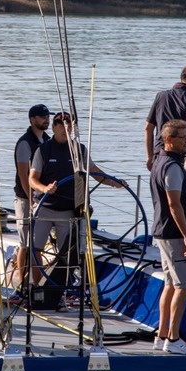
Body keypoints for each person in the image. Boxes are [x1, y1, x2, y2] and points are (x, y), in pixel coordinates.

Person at [27, 112, 125, 288]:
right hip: (45, 207)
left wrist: (114, 183)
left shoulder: (80, 150)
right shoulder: (43, 150)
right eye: (61, 124)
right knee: (35, 249)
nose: (66, 128)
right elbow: (32, 179)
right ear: (53, 127)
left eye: (70, 125)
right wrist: (45, 188)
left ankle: (60, 291)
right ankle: (37, 289)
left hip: (67, 211)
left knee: (67, 254)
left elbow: (96, 172)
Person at [149, 119, 186, 354]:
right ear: (169, 139)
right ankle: (173, 339)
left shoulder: (159, 162)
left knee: (170, 284)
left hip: (164, 233)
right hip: (174, 235)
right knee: (184, 285)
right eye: (183, 137)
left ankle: (161, 336)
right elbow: (174, 204)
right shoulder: (171, 167)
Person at [13, 104, 50, 288]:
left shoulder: (48, 141)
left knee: (37, 244)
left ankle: (38, 284)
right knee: (25, 243)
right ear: (32, 119)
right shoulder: (25, 143)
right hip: (25, 199)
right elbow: (23, 174)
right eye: (42, 117)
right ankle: (23, 284)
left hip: (41, 199)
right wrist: (31, 198)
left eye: (47, 116)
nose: (46, 119)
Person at [145, 65, 186, 171]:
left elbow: (148, 128)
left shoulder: (161, 96)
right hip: (182, 157)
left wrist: (149, 157)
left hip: (159, 155)